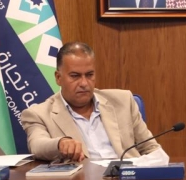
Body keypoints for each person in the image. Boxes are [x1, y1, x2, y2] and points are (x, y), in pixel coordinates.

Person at [21, 42, 161, 162]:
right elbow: (37, 145)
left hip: (128, 179)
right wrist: (60, 143)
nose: (84, 83)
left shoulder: (123, 101)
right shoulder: (39, 114)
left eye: (89, 75)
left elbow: (151, 148)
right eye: (75, 76)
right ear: (58, 78)